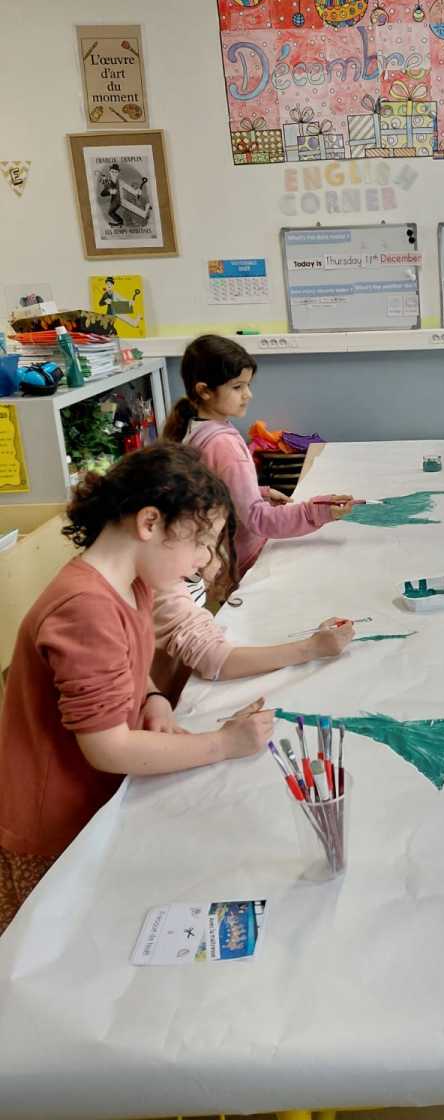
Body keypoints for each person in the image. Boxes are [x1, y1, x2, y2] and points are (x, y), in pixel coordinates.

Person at [0, 444, 275, 935]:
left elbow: (127, 664)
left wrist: (152, 697)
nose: (204, 561)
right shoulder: (85, 608)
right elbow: (108, 747)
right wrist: (223, 743)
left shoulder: (131, 583)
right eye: (202, 542)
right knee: (64, 946)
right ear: (150, 522)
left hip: (96, 799)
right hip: (55, 827)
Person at [163, 335, 359, 577]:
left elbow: (215, 491)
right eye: (237, 387)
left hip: (221, 555)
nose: (248, 395)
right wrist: (316, 511)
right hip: (243, 561)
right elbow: (259, 520)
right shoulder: (224, 444)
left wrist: (259, 493)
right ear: (204, 391)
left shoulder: (196, 428)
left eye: (248, 385)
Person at [152, 506, 355, 704]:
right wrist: (312, 648)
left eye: (211, 544)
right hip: (168, 694)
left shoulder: (173, 572)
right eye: (202, 543)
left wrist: (202, 578)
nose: (209, 557)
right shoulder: (164, 588)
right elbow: (215, 659)